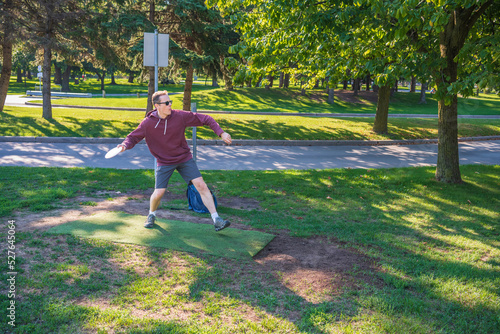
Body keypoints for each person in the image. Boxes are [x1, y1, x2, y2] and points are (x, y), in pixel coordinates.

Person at [116, 90, 232, 232]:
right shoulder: (148, 123)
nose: (170, 105)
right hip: (164, 161)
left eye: (170, 102)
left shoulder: (179, 116)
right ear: (157, 106)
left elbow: (205, 118)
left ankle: (217, 220)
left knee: (201, 185)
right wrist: (124, 145)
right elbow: (133, 137)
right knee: (159, 192)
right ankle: (151, 215)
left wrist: (221, 132)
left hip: (183, 158)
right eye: (166, 103)